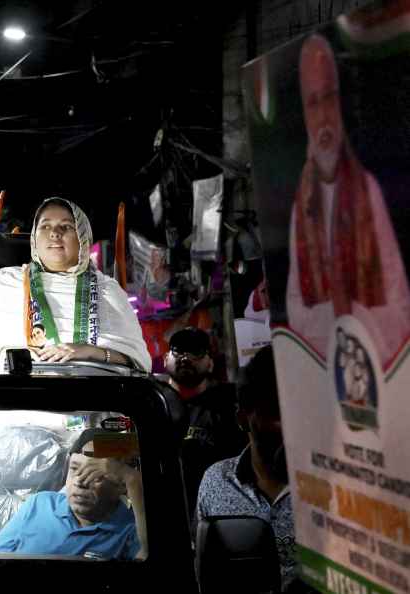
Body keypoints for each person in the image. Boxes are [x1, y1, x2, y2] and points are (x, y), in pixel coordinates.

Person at [286, 34, 410, 364]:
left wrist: (354, 313)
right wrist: (333, 313)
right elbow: (294, 310)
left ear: (340, 105)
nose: (324, 117)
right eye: (314, 103)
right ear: (304, 111)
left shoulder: (366, 190)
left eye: (329, 99)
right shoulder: (302, 205)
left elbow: (400, 306)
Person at [0, 197, 150, 371]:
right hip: (17, 398)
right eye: (45, 226)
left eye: (66, 226)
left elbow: (138, 360)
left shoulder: (108, 289)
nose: (54, 233)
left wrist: (90, 352)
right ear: (35, 238)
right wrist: (14, 354)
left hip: (93, 400)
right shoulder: (7, 282)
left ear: (83, 238)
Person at [196, 346, 296, 590]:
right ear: (243, 417)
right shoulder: (216, 482)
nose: (294, 426)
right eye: (277, 412)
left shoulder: (340, 487)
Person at [0, 428, 147, 560]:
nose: (79, 481)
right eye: (74, 469)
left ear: (120, 486)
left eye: (94, 474)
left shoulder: (132, 530)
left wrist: (132, 478)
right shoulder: (39, 503)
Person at [164, 327, 246, 517]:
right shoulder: (152, 401)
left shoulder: (229, 402)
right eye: (178, 350)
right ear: (165, 359)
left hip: (220, 511)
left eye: (196, 352)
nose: (185, 357)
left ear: (210, 363)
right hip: (167, 511)